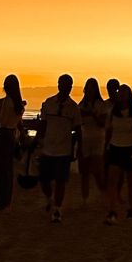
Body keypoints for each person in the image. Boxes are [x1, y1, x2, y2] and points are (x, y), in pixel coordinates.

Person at [38, 74, 81, 224]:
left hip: (64, 150)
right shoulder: (49, 103)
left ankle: (57, 210)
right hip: (48, 148)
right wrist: (37, 140)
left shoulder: (74, 107)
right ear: (58, 85)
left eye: (69, 85)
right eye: (64, 84)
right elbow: (43, 124)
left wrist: (78, 147)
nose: (67, 88)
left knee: (61, 182)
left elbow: (78, 129)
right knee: (44, 180)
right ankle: (50, 199)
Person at [104, 84, 132, 224]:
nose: (121, 93)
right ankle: (112, 211)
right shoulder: (112, 112)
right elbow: (108, 131)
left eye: (124, 91)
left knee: (131, 180)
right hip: (115, 148)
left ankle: (131, 208)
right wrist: (105, 148)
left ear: (129, 95)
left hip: (130, 148)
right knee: (113, 181)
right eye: (119, 90)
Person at [0, 74, 25, 212]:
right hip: (12, 136)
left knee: (0, 170)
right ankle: (7, 202)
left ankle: (1, 203)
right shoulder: (18, 104)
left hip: (4, 134)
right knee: (8, 170)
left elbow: (2, 121)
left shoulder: (7, 102)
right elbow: (17, 122)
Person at [78, 77, 108, 206]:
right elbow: (78, 122)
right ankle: (85, 199)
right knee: (84, 171)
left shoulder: (101, 105)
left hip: (97, 138)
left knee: (97, 169)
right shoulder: (81, 105)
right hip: (85, 137)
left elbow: (102, 123)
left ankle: (104, 194)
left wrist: (92, 114)